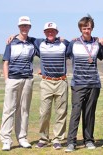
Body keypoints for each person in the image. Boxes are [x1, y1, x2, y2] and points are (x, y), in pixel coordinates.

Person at [64, 14, 103, 152]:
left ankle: (89, 140)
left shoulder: (97, 44)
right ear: (80, 29)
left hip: (94, 84)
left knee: (89, 113)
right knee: (76, 112)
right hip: (78, 84)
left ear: (92, 29)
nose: (87, 30)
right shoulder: (73, 44)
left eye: (89, 28)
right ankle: (71, 142)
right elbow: (64, 55)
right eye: (84, 28)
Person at [0, 16, 35, 151]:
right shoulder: (11, 42)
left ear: (29, 27)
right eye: (22, 26)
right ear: (18, 27)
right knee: (9, 109)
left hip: (27, 79)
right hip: (13, 79)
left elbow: (48, 41)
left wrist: (61, 39)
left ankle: (22, 138)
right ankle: (6, 140)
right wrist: (7, 80)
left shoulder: (33, 43)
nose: (24, 28)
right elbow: (5, 62)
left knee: (24, 110)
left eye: (26, 26)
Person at [33, 22, 69, 150]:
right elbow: (24, 37)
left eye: (53, 31)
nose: (50, 33)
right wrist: (13, 36)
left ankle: (57, 139)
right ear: (44, 32)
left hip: (61, 81)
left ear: (57, 32)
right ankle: (43, 138)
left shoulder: (64, 44)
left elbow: (77, 44)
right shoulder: (39, 43)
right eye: (48, 31)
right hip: (46, 82)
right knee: (44, 112)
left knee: (61, 112)